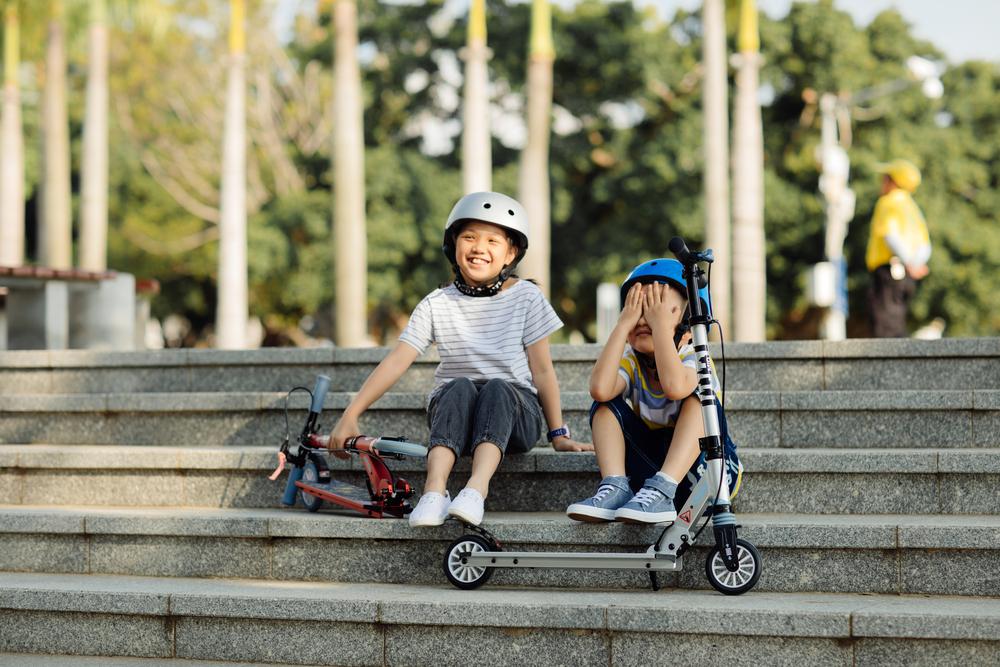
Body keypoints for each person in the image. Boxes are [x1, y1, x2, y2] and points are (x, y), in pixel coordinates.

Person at [329, 191, 592, 528]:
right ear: (453, 245)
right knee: (458, 387)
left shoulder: (526, 297)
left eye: (492, 240)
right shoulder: (436, 303)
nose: (479, 247)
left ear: (511, 253)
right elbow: (397, 361)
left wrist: (559, 434)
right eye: (469, 237)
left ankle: (475, 490)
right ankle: (434, 491)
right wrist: (351, 413)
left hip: (516, 416)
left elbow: (542, 370)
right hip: (458, 415)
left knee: (498, 387)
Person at [566, 259, 741, 524]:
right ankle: (614, 487)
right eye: (638, 310)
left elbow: (675, 388)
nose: (645, 320)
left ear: (688, 328)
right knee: (605, 405)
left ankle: (664, 487)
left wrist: (660, 329)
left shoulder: (694, 356)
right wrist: (622, 326)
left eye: (657, 311)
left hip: (704, 474)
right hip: (646, 485)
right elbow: (600, 390)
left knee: (700, 400)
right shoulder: (631, 360)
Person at [866, 159, 931, 338]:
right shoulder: (912, 208)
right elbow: (925, 245)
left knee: (884, 324)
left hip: (888, 271)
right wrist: (915, 264)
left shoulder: (888, 203)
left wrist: (908, 262)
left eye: (885, 178)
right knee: (897, 321)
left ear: (893, 181)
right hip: (907, 274)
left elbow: (890, 235)